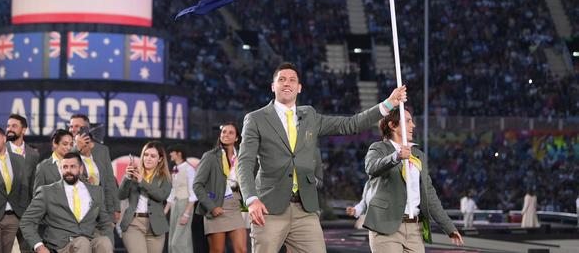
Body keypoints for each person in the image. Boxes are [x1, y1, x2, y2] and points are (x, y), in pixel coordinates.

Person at [237, 62, 406, 253]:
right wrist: (251, 199)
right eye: (281, 79)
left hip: (305, 210)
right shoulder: (256, 118)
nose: (287, 83)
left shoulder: (309, 115)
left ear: (299, 88)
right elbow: (245, 162)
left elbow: (350, 124)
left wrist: (388, 104)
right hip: (269, 208)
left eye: (292, 80)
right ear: (273, 86)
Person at [363, 108, 464, 252]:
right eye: (408, 121)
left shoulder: (418, 155)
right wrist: (396, 156)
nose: (413, 125)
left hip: (414, 230)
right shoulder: (378, 148)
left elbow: (429, 195)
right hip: (385, 226)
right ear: (392, 125)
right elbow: (371, 167)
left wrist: (449, 227)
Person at [19, 152, 114, 253]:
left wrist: (110, 243)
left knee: (104, 242)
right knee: (82, 242)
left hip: (89, 242)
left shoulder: (96, 191)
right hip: (61, 247)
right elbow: (26, 221)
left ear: (81, 169)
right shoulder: (47, 192)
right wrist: (39, 247)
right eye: (65, 167)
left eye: (73, 166)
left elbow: (105, 223)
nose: (68, 170)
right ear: (60, 169)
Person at [193, 122, 248, 253]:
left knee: (241, 249)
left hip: (235, 206)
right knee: (217, 250)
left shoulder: (241, 157)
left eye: (230, 132)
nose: (226, 135)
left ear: (237, 138)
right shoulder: (210, 156)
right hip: (217, 206)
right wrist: (211, 207)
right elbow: (197, 185)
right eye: (224, 132)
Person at [119, 141, 172, 253]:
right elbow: (121, 195)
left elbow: (161, 196)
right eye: (146, 155)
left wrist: (142, 182)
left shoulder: (165, 178)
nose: (148, 158)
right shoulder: (134, 174)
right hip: (133, 224)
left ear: (160, 159)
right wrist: (127, 177)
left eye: (153, 156)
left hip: (156, 227)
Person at [69, 114, 121, 224]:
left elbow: (109, 180)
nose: (72, 129)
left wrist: (116, 207)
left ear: (87, 128)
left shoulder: (102, 150)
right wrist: (77, 147)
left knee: (105, 240)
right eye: (71, 126)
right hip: (78, 210)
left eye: (77, 126)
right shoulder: (67, 149)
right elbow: (66, 167)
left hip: (101, 209)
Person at [6, 114, 40, 253]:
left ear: (24, 130)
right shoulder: (0, 150)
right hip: (5, 211)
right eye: (8, 126)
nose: (9, 129)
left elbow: (34, 184)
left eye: (14, 126)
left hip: (26, 211)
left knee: (26, 248)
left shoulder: (33, 154)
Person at [165, 144, 197, 253]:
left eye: (172, 152)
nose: (170, 154)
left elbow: (193, 194)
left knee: (179, 241)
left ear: (179, 153)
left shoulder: (189, 169)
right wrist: (165, 210)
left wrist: (186, 213)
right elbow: (173, 191)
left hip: (185, 205)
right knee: (171, 242)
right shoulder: (175, 169)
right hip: (175, 205)